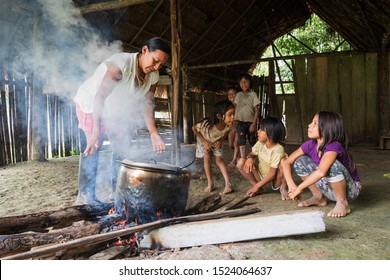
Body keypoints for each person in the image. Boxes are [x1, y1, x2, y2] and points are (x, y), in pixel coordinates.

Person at [73, 37, 171, 205]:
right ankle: (85, 197)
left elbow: (147, 103)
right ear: (145, 50)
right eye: (155, 61)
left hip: (115, 109)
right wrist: (96, 131)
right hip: (92, 103)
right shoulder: (121, 65)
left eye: (161, 65)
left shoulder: (152, 76)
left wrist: (153, 132)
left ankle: (118, 193)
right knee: (94, 146)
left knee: (122, 149)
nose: (156, 67)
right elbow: (100, 97)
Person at [282, 111, 362, 218]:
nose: (309, 125)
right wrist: (291, 185)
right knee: (300, 161)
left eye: (315, 123)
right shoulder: (310, 144)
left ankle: (342, 202)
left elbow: (321, 172)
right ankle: (318, 197)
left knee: (331, 165)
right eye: (311, 122)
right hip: (329, 187)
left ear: (327, 129)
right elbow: (286, 162)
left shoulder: (334, 146)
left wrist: (299, 188)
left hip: (350, 190)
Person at [237, 116, 288, 199]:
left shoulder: (278, 150)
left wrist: (255, 187)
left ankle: (284, 188)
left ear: (270, 134)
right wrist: (250, 158)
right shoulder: (260, 143)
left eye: (261, 130)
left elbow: (272, 174)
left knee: (284, 162)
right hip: (260, 176)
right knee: (241, 162)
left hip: (275, 180)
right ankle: (259, 189)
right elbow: (252, 154)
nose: (258, 131)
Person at [192, 100, 235, 195]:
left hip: (216, 141)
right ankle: (210, 183)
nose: (233, 117)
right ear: (220, 116)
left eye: (233, 114)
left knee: (219, 160)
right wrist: (204, 142)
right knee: (207, 158)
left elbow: (226, 133)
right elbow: (194, 129)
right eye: (230, 114)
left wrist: (221, 140)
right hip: (204, 140)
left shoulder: (229, 125)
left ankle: (228, 184)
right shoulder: (206, 125)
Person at [234, 74, 260, 160]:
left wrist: (254, 124)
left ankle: (256, 157)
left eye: (246, 82)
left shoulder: (253, 94)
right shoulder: (238, 95)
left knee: (252, 140)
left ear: (250, 83)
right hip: (240, 122)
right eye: (241, 82)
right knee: (241, 141)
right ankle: (243, 158)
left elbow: (257, 110)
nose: (244, 84)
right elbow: (235, 108)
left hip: (250, 122)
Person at [226, 86, 239, 168]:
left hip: (239, 126)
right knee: (231, 144)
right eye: (229, 94)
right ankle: (237, 156)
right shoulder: (228, 106)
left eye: (234, 93)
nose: (231, 95)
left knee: (236, 143)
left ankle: (234, 161)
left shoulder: (240, 104)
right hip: (231, 127)